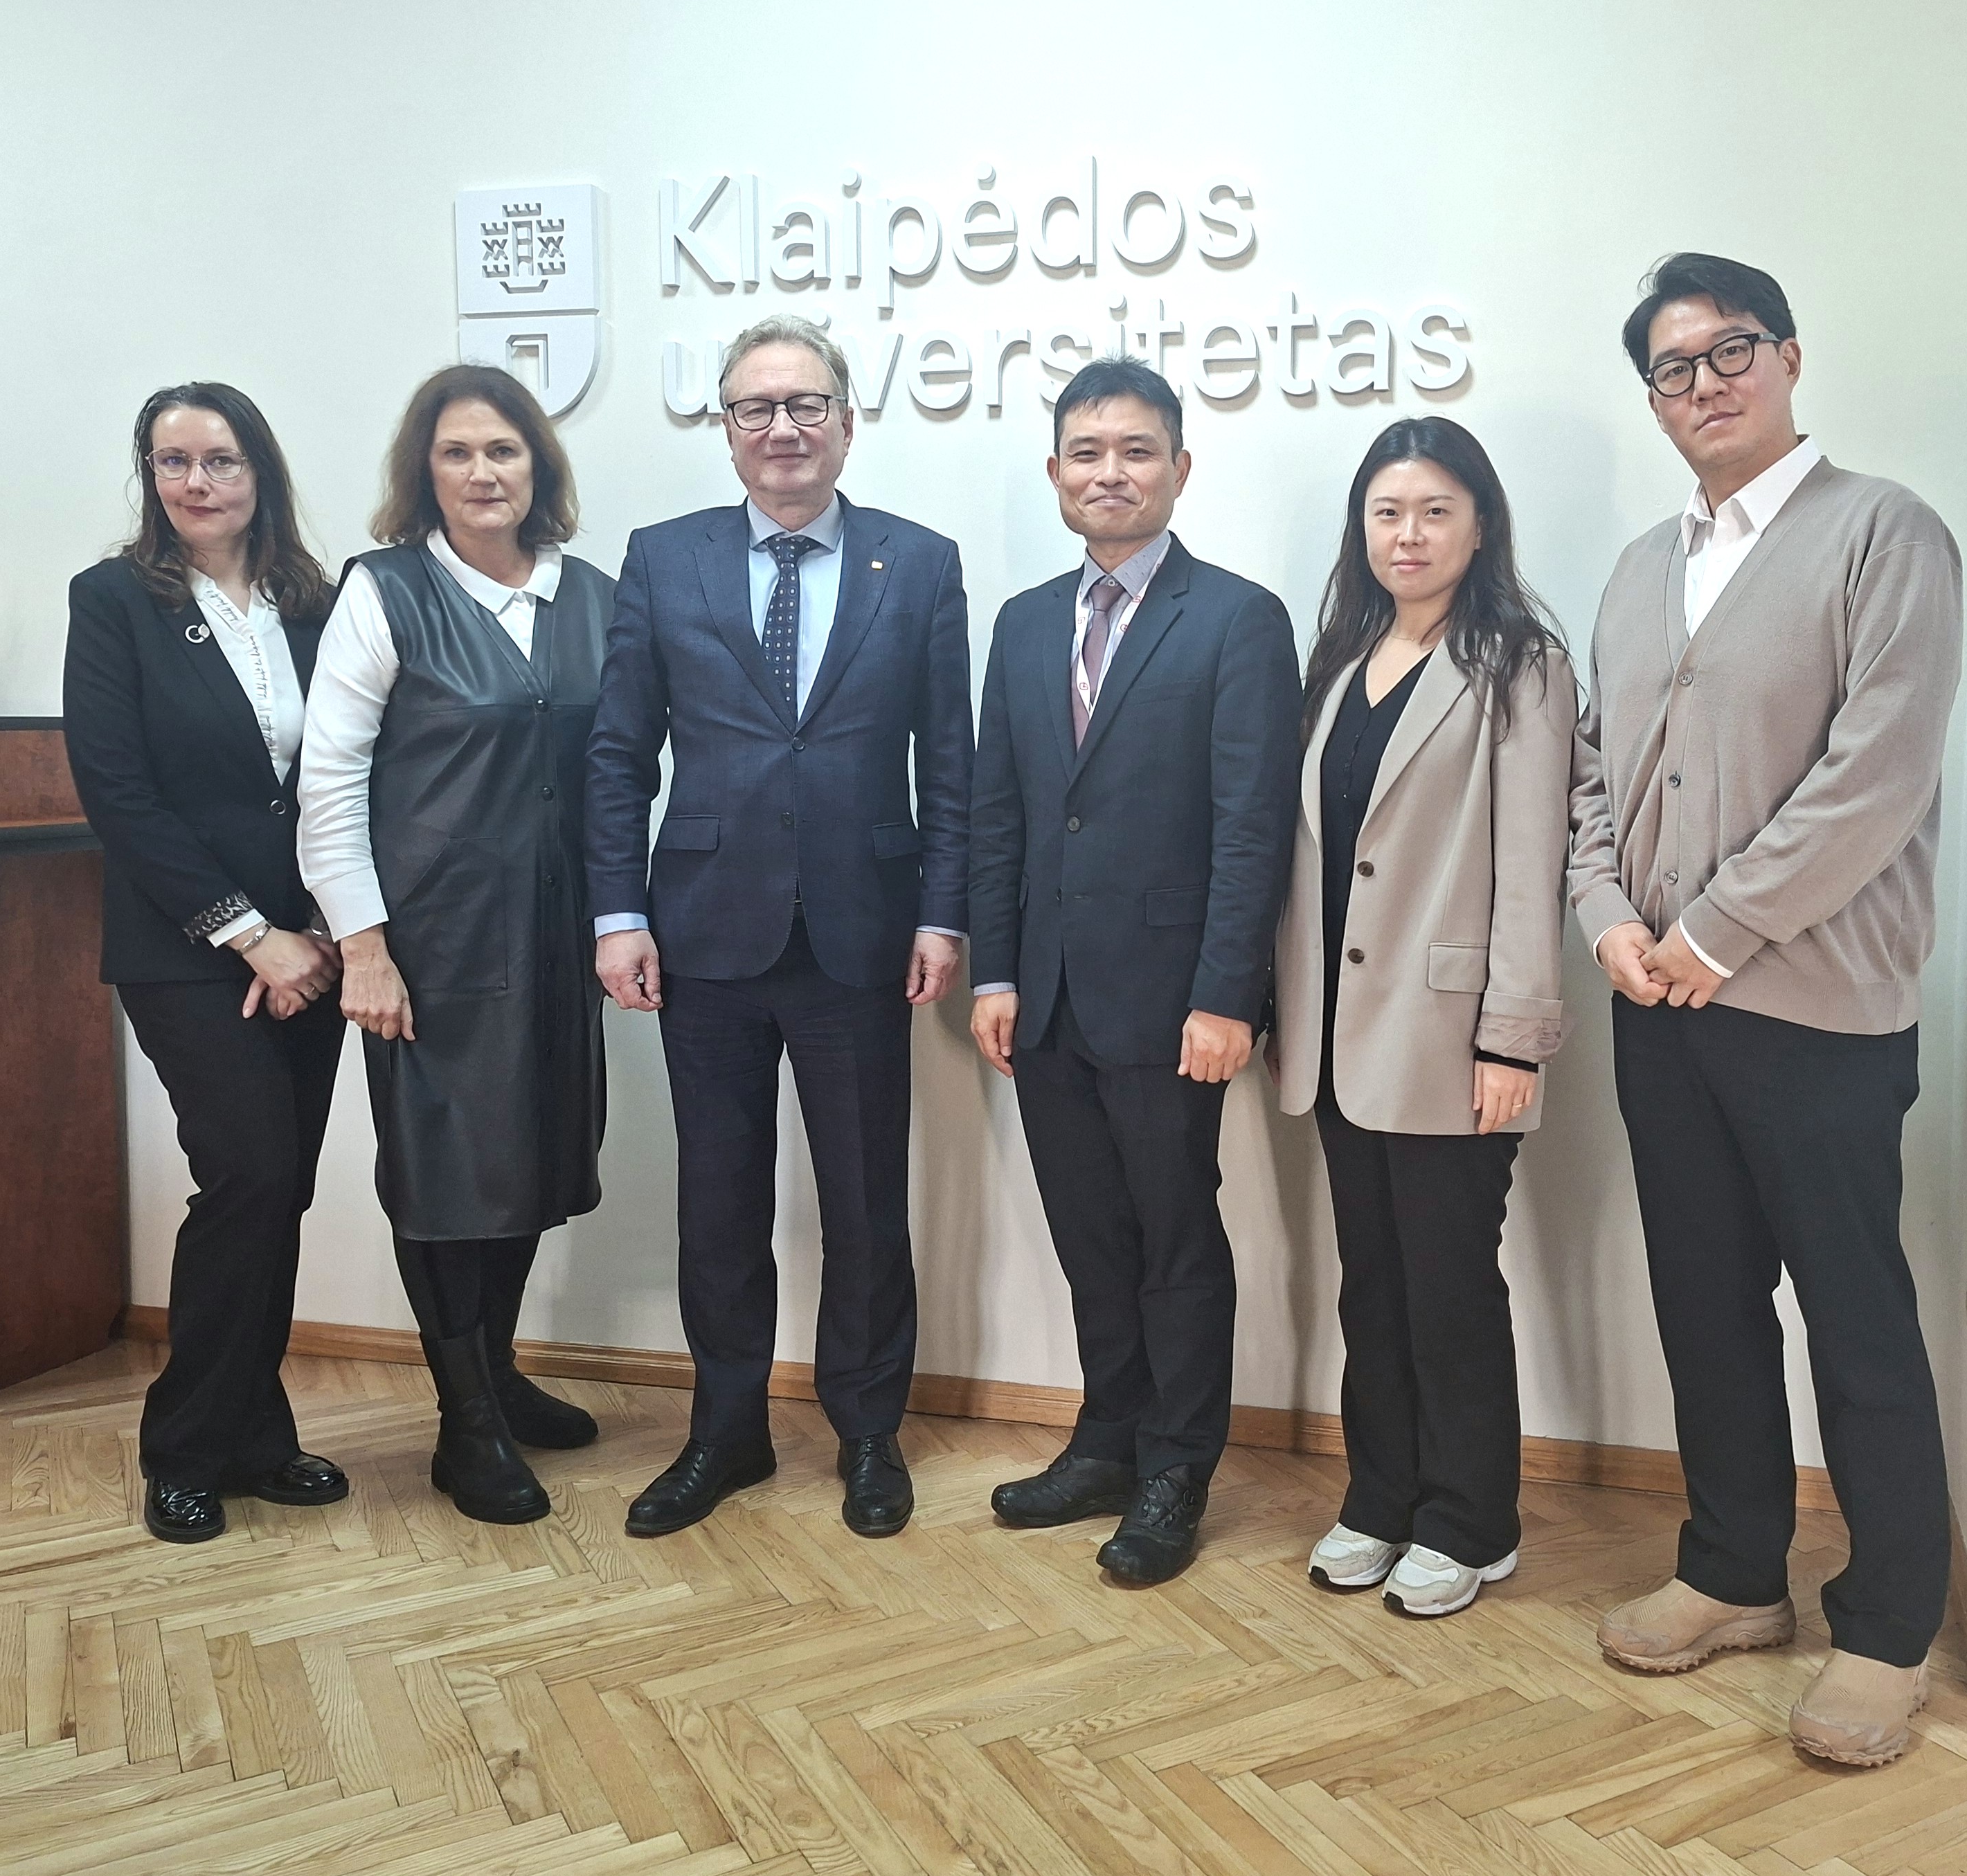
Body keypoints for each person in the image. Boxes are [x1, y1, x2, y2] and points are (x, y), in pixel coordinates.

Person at [1568, 254, 1962, 1767]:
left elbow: (1878, 772)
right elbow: (1589, 774)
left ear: (1788, 356)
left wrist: (1713, 933)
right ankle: (1735, 1571)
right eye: (1671, 369)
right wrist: (1609, 919)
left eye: (1728, 350)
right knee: (1703, 1299)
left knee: (1855, 1319)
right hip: (1655, 1002)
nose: (1703, 384)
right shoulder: (1636, 567)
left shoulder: (1882, 532)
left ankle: (1885, 1629)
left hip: (1815, 1011)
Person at [587, 316, 971, 1541]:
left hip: (864, 933)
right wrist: (617, 913)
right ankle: (726, 1431)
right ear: (726, 429)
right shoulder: (664, 559)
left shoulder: (918, 563)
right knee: (717, 1202)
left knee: (865, 1204)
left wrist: (943, 912)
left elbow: (949, 763)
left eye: (806, 405)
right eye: (757, 407)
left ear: (847, 423)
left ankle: (867, 1432)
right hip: (701, 934)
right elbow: (617, 755)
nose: (783, 428)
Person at [967, 357, 1301, 1587]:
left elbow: (1252, 828)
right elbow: (999, 813)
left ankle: (1175, 1467)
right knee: (1088, 1234)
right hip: (1044, 995)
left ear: (1178, 468)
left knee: (1173, 1240)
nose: (1110, 472)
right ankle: (1105, 1439)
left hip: (1171, 1003)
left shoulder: (1237, 619)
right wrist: (993, 975)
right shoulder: (1020, 623)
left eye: (1136, 450)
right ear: (1056, 470)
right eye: (1087, 452)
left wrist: (1226, 995)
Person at [1268, 417, 1576, 1618]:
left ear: (1479, 525)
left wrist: (1513, 1039)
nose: (1408, 535)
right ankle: (1380, 1497)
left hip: (1451, 1039)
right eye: (1387, 512)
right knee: (1373, 1285)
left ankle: (1470, 1521)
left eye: (1435, 511)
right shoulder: (1339, 661)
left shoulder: (1518, 666)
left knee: (1449, 1289)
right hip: (1338, 1036)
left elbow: (1531, 864)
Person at [298, 365, 612, 1526]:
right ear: (423, 473)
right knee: (445, 1180)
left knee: (527, 1163)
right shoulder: (385, 592)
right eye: (457, 453)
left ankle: (497, 1373)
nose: (483, 472)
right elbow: (329, 779)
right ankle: (462, 1421)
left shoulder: (594, 598)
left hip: (555, 937)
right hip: (432, 944)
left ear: (538, 466)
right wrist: (363, 947)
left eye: (504, 450)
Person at [62, 381, 348, 1544]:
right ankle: (182, 1449)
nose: (195, 482)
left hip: (315, 947)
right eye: (172, 461)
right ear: (150, 475)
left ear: (259, 471)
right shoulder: (114, 601)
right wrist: (248, 932)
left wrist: (322, 927)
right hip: (188, 947)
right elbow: (118, 793)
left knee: (280, 1190)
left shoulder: (318, 603)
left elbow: (350, 768)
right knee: (248, 1176)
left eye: (219, 460)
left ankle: (255, 1436)